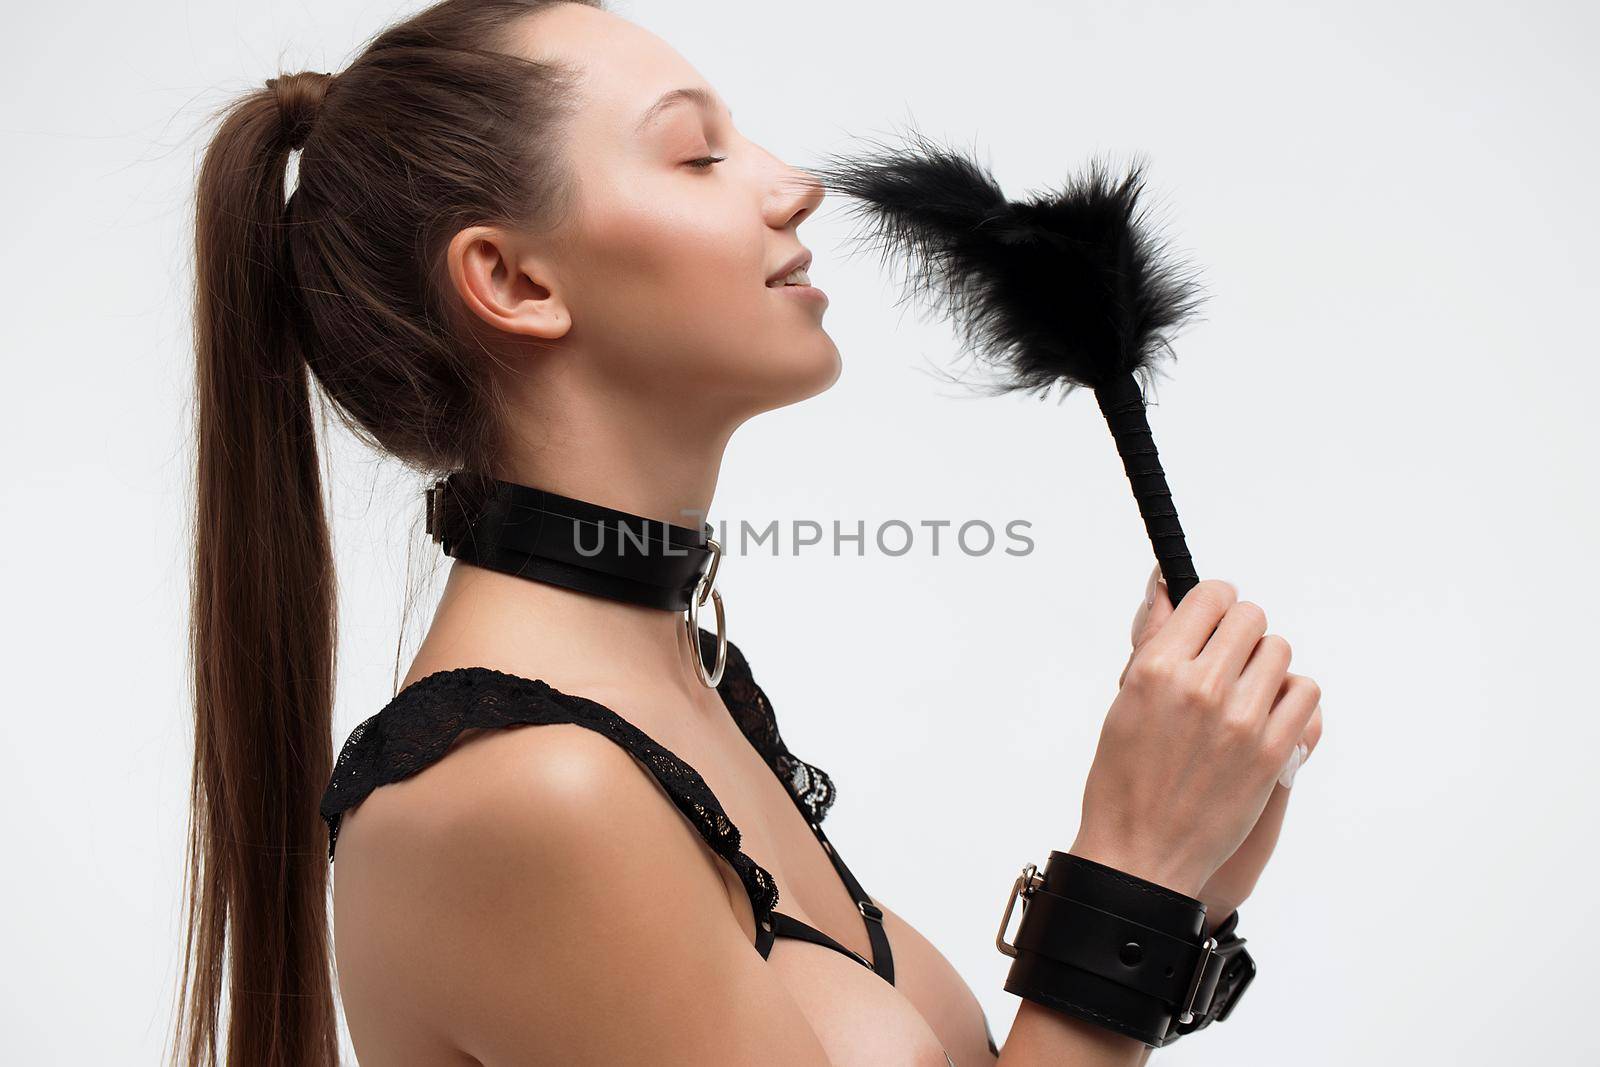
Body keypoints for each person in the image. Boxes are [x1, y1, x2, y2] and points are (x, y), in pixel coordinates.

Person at [175, 1, 1324, 1064]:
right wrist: (1130, 872)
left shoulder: (683, 695)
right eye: (697, 154)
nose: (793, 185)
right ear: (514, 280)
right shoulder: (531, 788)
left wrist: (1186, 891)